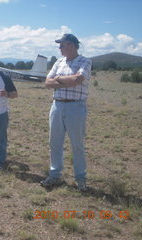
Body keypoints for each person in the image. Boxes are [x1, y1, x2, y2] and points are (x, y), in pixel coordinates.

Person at [41, 34, 92, 191]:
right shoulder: (59, 61)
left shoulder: (85, 61)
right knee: (54, 143)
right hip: (57, 106)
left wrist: (59, 79)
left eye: (62, 45)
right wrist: (66, 80)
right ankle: (55, 174)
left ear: (72, 45)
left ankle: (80, 179)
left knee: (77, 144)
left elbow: (78, 80)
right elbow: (47, 83)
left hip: (75, 107)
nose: (59, 48)